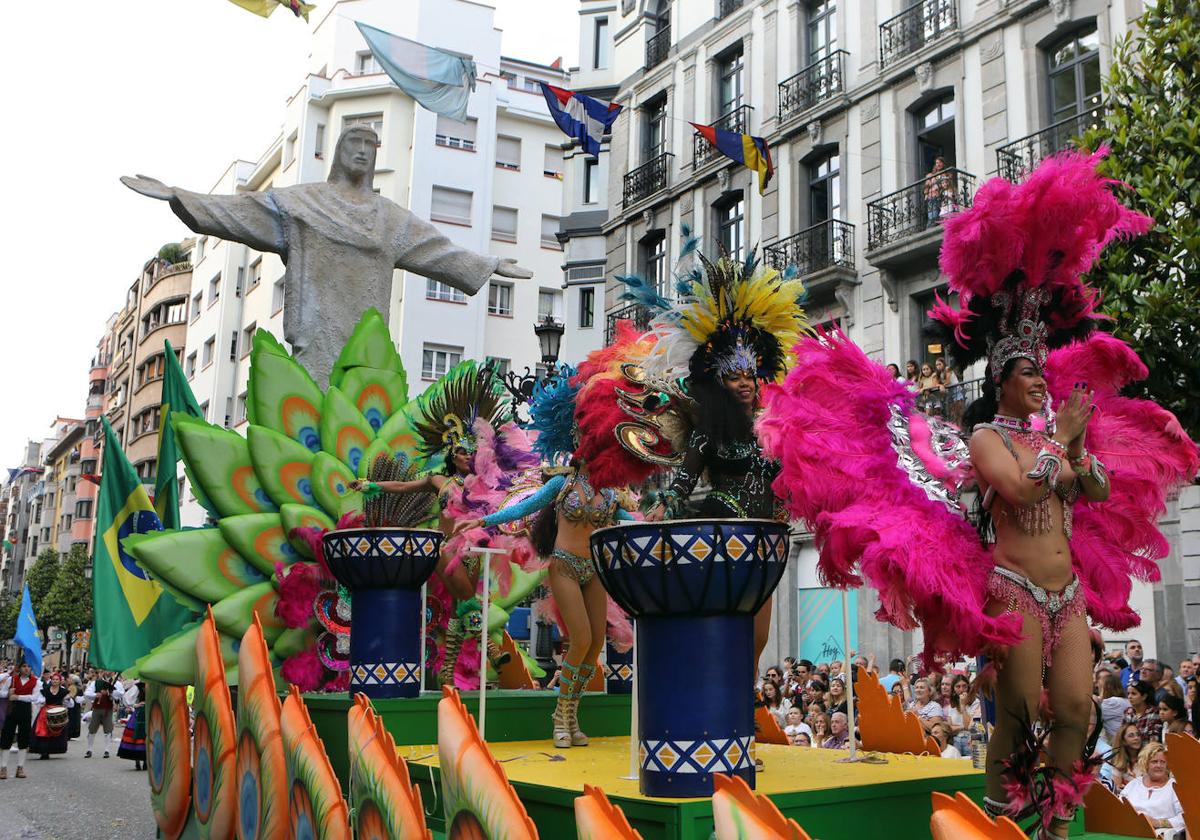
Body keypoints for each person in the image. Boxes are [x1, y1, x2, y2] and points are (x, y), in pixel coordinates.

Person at [121, 126, 532, 387]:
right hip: (315, 337)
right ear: (338, 150)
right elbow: (239, 211)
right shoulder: (302, 204)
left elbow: (437, 249)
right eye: (355, 143)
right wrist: (180, 196)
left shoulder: (388, 218)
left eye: (372, 146)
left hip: (366, 346)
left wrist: (489, 264)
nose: (364, 152)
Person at [636, 252, 808, 683]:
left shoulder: (777, 427)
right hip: (724, 535)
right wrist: (665, 504)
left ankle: (742, 726)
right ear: (720, 383)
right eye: (735, 377)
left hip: (768, 539)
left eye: (751, 375)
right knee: (725, 631)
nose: (746, 383)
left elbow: (798, 476)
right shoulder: (710, 431)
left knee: (758, 639)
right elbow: (683, 482)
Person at [351, 361, 537, 687]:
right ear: (452, 454)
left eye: (472, 451)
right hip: (442, 546)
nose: (468, 456)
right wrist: (372, 486)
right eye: (463, 452)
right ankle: (489, 647)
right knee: (468, 598)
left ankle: (447, 672)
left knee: (459, 608)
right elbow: (403, 487)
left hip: (474, 548)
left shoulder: (485, 482)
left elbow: (511, 500)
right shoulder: (439, 481)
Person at [1119, 743, 1186, 837]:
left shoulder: (1175, 786)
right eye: (1154, 762)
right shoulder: (1133, 785)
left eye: (1162, 762)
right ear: (1145, 764)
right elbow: (1119, 809)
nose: (1159, 765)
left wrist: (1158, 822)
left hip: (1161, 835)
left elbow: (1184, 818)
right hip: (1130, 832)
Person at [0, 662, 40, 779]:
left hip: (25, 711)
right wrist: (8, 693)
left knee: (23, 739)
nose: (26, 669)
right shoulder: (11, 680)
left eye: (28, 666)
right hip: (12, 710)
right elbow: (1, 693)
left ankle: (20, 767)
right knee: (6, 738)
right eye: (24, 666)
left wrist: (18, 696)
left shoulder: (35, 682)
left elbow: (34, 697)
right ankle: (3, 768)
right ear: (20, 668)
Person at [30, 673, 73, 760]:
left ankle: (53, 749)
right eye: (53, 679)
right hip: (46, 712)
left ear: (60, 681)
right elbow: (38, 700)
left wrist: (67, 699)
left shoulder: (63, 690)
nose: (55, 681)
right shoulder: (45, 690)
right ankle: (43, 751)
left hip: (58, 712)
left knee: (57, 730)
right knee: (44, 731)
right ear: (51, 680)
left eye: (57, 679)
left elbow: (70, 704)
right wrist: (42, 701)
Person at [84, 671, 123, 758]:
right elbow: (87, 693)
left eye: (110, 670)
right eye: (106, 670)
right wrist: (95, 694)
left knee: (108, 729)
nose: (108, 672)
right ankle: (89, 749)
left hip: (108, 709)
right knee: (92, 728)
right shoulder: (96, 682)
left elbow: (120, 694)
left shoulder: (117, 683)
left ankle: (107, 750)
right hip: (97, 708)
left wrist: (110, 692)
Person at [1105, 722, 1144, 794]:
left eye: (1138, 734)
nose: (1136, 738)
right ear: (1123, 741)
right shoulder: (1117, 761)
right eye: (1131, 735)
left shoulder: (1147, 758)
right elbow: (1118, 788)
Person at [117, 681, 147, 770]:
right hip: (139, 713)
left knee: (148, 737)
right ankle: (137, 762)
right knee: (137, 735)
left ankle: (146, 761)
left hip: (151, 713)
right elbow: (127, 698)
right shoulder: (139, 686)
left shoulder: (156, 685)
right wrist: (135, 705)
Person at [1097, 672, 1131, 743]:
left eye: (1102, 687)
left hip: (1116, 741)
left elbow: (1096, 714)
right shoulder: (1126, 701)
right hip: (1123, 739)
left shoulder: (1112, 702)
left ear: (1107, 687)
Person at [923, 156, 952, 223]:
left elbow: (949, 185)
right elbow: (926, 189)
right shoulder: (931, 175)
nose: (938, 164)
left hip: (944, 197)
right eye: (937, 163)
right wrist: (926, 193)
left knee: (943, 214)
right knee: (932, 216)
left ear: (943, 164)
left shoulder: (948, 174)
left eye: (940, 162)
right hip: (933, 196)